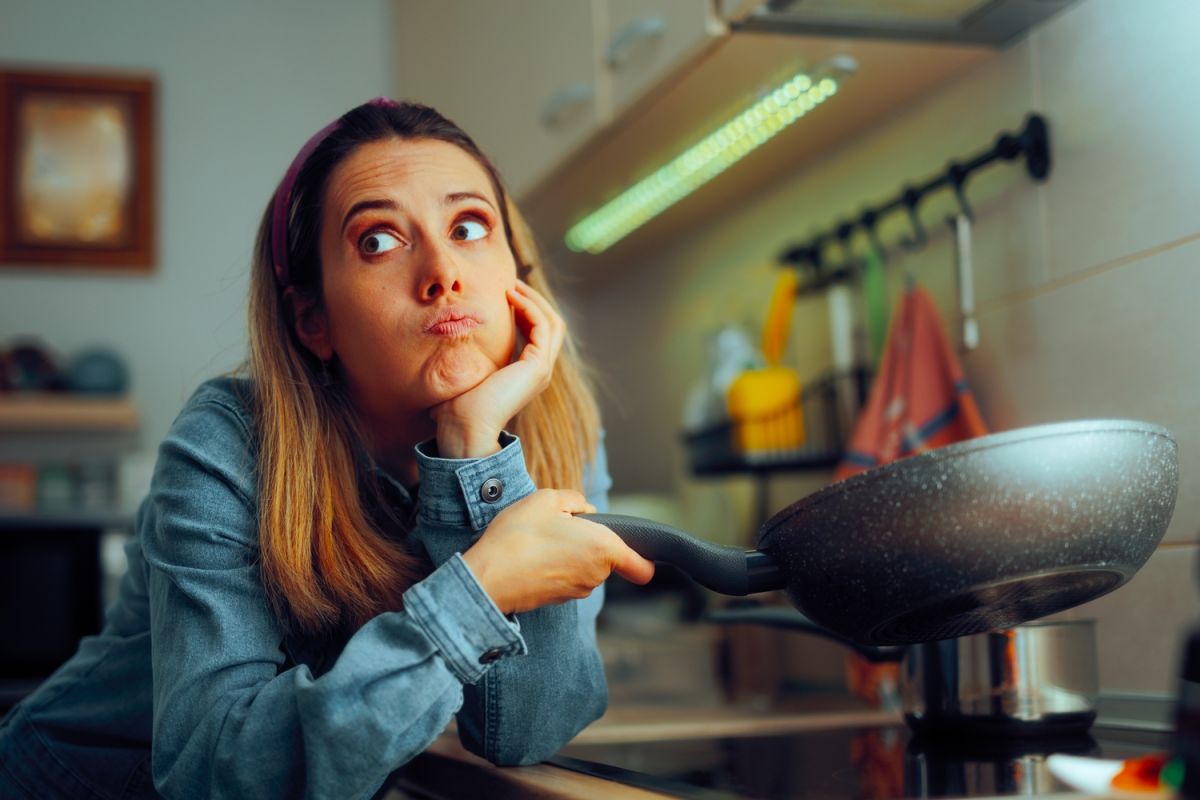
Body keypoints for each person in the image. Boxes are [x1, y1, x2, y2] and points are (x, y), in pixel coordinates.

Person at [0, 97, 656, 800]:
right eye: (378, 241)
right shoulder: (230, 444)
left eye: (469, 226)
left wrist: (473, 450)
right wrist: (482, 586)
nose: (443, 272)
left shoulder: (562, 437)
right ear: (314, 321)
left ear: (520, 283)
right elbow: (212, 771)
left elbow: (521, 732)